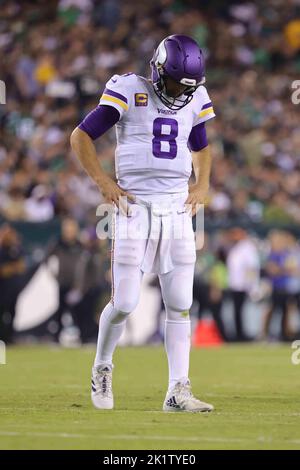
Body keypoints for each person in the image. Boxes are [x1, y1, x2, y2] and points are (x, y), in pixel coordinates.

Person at [71, 35, 215, 412]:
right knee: (125, 303)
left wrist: (202, 183)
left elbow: (201, 145)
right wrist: (102, 180)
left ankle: (177, 391)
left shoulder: (195, 99)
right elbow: (81, 135)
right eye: (173, 83)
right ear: (158, 70)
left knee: (181, 303)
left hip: (177, 208)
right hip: (133, 207)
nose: (179, 94)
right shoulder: (128, 88)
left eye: (187, 87)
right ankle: (102, 367)